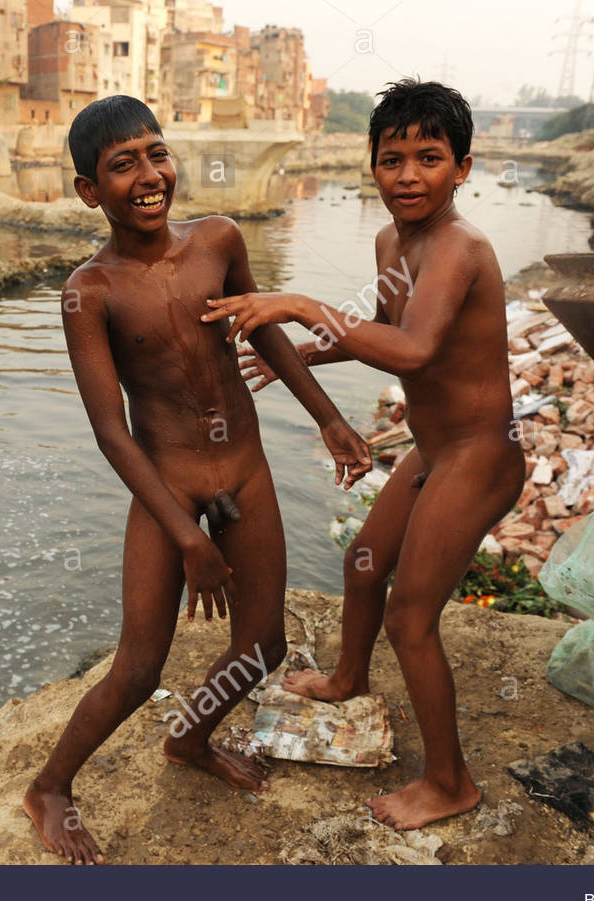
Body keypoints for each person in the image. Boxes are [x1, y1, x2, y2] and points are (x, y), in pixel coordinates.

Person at [24, 95, 372, 864]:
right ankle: (50, 786)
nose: (149, 176)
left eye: (157, 154)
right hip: (169, 488)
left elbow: (268, 335)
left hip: (244, 470)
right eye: (123, 166)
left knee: (265, 643)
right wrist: (188, 539)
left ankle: (191, 735)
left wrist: (328, 418)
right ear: (90, 191)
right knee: (140, 663)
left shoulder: (218, 240)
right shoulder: (91, 291)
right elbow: (111, 428)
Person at [204, 79, 525, 830]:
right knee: (361, 567)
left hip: (481, 453)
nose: (408, 175)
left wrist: (298, 304)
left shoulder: (459, 247)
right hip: (434, 447)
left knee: (411, 616)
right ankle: (349, 677)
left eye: (429, 158)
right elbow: (384, 330)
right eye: (392, 159)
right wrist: (309, 355)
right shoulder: (394, 241)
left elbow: (414, 349)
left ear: (464, 168)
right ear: (372, 165)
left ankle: (451, 782)